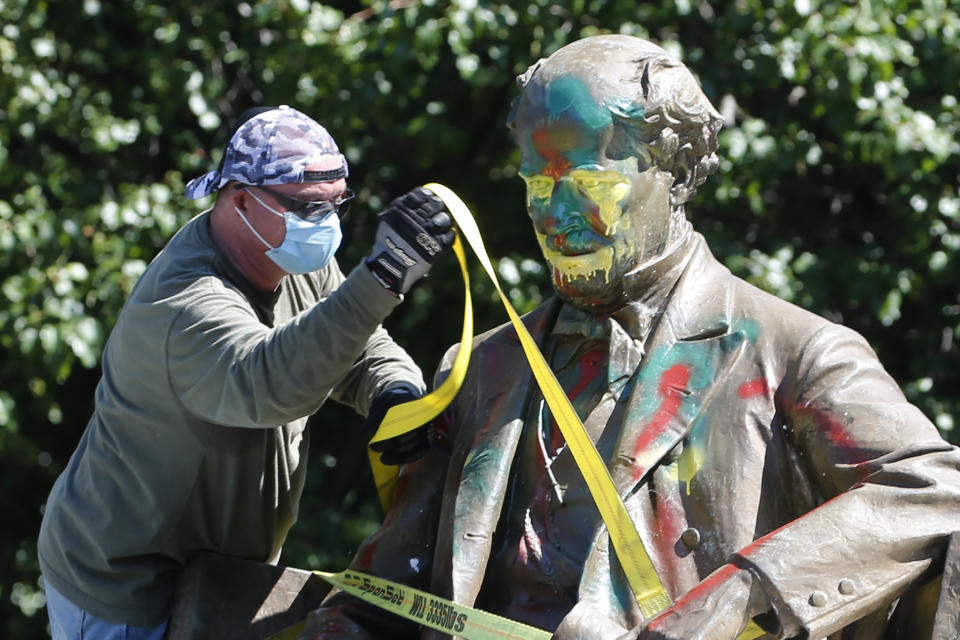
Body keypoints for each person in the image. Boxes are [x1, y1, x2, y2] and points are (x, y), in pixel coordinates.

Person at [301, 36, 960, 640]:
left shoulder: (792, 351)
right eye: (538, 183)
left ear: (672, 173)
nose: (555, 217)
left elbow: (935, 487)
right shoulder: (482, 366)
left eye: (589, 184)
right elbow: (385, 586)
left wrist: (732, 597)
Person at [37, 104, 455, 639]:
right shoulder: (183, 304)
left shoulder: (287, 254)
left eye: (335, 206)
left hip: (218, 571)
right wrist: (383, 277)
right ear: (239, 199)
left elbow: (352, 341)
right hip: (124, 584)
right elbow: (269, 385)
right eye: (308, 208)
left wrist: (392, 389)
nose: (325, 225)